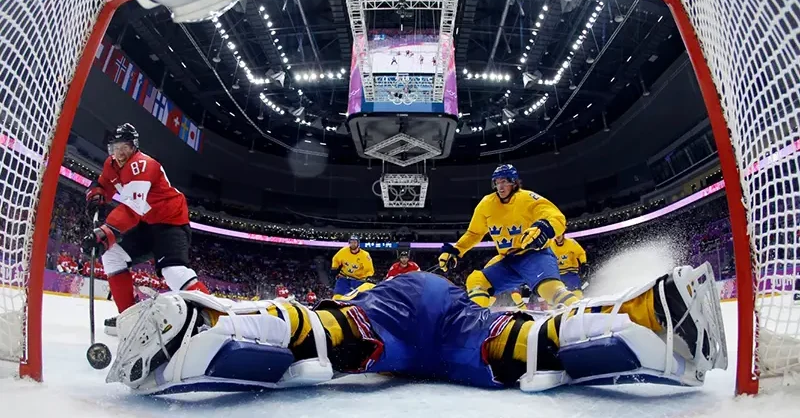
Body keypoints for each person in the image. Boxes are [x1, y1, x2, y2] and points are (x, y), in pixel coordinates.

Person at [106, 263, 728, 395]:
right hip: (451, 310)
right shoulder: (455, 281)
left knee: (325, 333)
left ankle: (199, 322)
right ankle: (655, 311)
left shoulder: (370, 282)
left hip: (396, 312)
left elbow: (335, 304)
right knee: (524, 345)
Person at [82, 123, 208, 335]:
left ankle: (214, 318)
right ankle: (131, 318)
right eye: (115, 147)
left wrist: (105, 232)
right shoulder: (111, 164)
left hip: (171, 224)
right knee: (112, 256)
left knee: (173, 273)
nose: (120, 153)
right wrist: (96, 193)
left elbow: (132, 209)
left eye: (125, 147)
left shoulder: (142, 164)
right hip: (146, 223)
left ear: (134, 147)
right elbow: (104, 183)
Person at [438, 164, 577, 308]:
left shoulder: (527, 198)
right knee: (477, 280)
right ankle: (476, 319)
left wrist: (544, 228)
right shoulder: (486, 204)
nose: (500, 187)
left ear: (514, 182)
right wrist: (456, 250)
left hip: (534, 255)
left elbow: (556, 217)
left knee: (549, 289)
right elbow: (474, 233)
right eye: (497, 182)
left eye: (504, 181)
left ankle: (580, 310)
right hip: (508, 261)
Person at [330, 235, 374, 299]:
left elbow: (369, 268)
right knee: (338, 296)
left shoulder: (365, 255)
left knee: (357, 298)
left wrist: (369, 276)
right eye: (351, 242)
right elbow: (336, 259)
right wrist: (334, 267)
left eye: (355, 242)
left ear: (358, 243)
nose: (353, 244)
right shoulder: (343, 251)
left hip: (358, 280)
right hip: (344, 277)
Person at [549, 234, 588, 298]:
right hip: (557, 275)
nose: (558, 236)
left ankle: (578, 304)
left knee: (576, 293)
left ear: (563, 234)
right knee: (555, 296)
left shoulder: (571, 242)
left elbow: (581, 253)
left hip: (571, 273)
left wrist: (583, 263)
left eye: (559, 234)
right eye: (556, 235)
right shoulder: (550, 245)